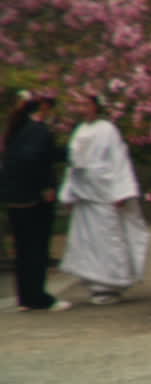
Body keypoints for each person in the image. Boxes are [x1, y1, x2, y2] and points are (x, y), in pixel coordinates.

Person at [57, 94, 150, 305]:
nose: (83, 108)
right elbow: (73, 165)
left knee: (108, 237)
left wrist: (121, 192)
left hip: (104, 192)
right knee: (88, 240)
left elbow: (118, 160)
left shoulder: (107, 129)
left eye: (86, 104)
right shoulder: (79, 131)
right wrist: (69, 194)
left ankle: (112, 282)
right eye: (80, 104)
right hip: (85, 194)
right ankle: (95, 283)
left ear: (96, 107)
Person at [1, 91, 70, 312]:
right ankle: (38, 296)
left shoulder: (15, 130)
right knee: (37, 248)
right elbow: (40, 159)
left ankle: (26, 296)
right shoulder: (39, 131)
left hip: (14, 197)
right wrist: (46, 185)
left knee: (22, 249)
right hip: (34, 198)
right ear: (43, 108)